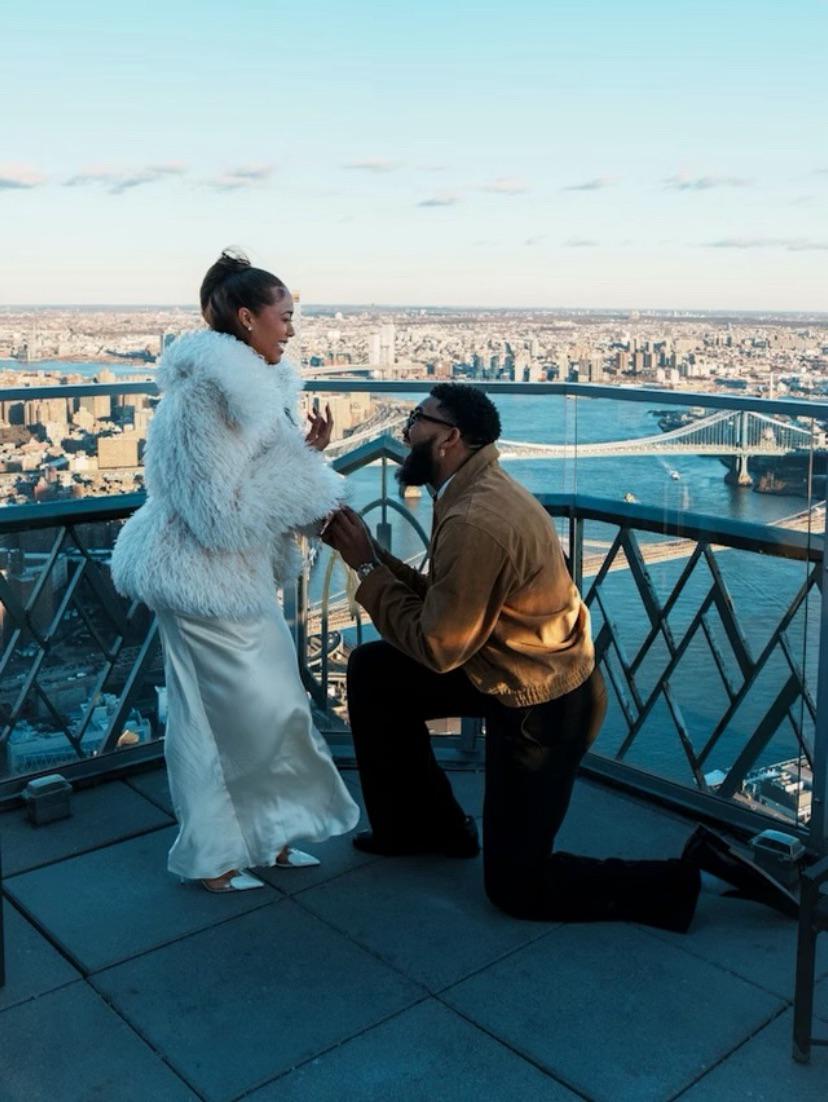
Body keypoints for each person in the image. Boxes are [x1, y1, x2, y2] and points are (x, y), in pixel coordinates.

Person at [322, 384, 797, 931]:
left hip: (543, 710)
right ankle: (426, 828)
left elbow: (440, 646)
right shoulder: (472, 488)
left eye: (416, 419)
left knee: (517, 888)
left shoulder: (475, 518)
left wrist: (366, 569)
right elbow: (448, 606)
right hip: (505, 671)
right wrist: (372, 555)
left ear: (450, 438)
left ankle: (694, 874)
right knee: (376, 672)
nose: (406, 432)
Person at [111, 250, 359, 893]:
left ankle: (268, 837)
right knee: (215, 720)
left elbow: (252, 477)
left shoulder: (257, 391)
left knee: (273, 710)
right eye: (285, 315)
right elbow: (218, 515)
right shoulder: (202, 399)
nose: (292, 329)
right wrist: (305, 475)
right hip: (198, 578)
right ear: (248, 318)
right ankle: (214, 857)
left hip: (235, 579)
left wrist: (305, 452)